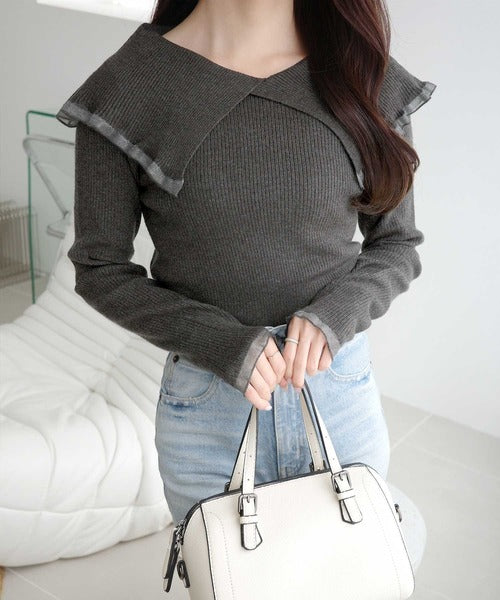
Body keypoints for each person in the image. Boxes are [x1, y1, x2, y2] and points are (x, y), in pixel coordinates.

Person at [56, 0, 436, 574]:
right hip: (208, 413)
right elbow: (99, 267)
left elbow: (398, 244)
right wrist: (219, 340)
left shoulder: (360, 74)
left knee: (354, 573)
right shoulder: (128, 90)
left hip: (338, 395)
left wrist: (334, 317)